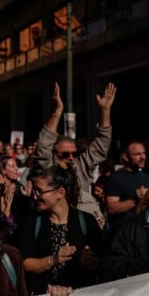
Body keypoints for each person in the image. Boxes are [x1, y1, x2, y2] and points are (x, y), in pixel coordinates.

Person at [34, 82, 116, 230]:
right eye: (65, 154)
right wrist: (57, 112)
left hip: (84, 224)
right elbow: (44, 144)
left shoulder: (80, 165)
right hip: (57, 224)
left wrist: (105, 109)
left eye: (75, 153)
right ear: (54, 154)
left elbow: (102, 144)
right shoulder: (49, 169)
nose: (71, 157)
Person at [17, 166, 107, 295]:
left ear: (60, 193)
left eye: (39, 191)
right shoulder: (31, 221)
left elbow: (103, 261)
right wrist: (54, 260)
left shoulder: (86, 221)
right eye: (34, 191)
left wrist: (93, 262)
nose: (35, 197)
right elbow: (24, 264)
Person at [104, 139, 149, 235]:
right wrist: (136, 200)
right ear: (126, 157)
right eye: (137, 154)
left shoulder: (147, 177)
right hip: (122, 233)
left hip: (145, 232)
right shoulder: (116, 178)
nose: (143, 157)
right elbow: (111, 209)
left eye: (144, 153)